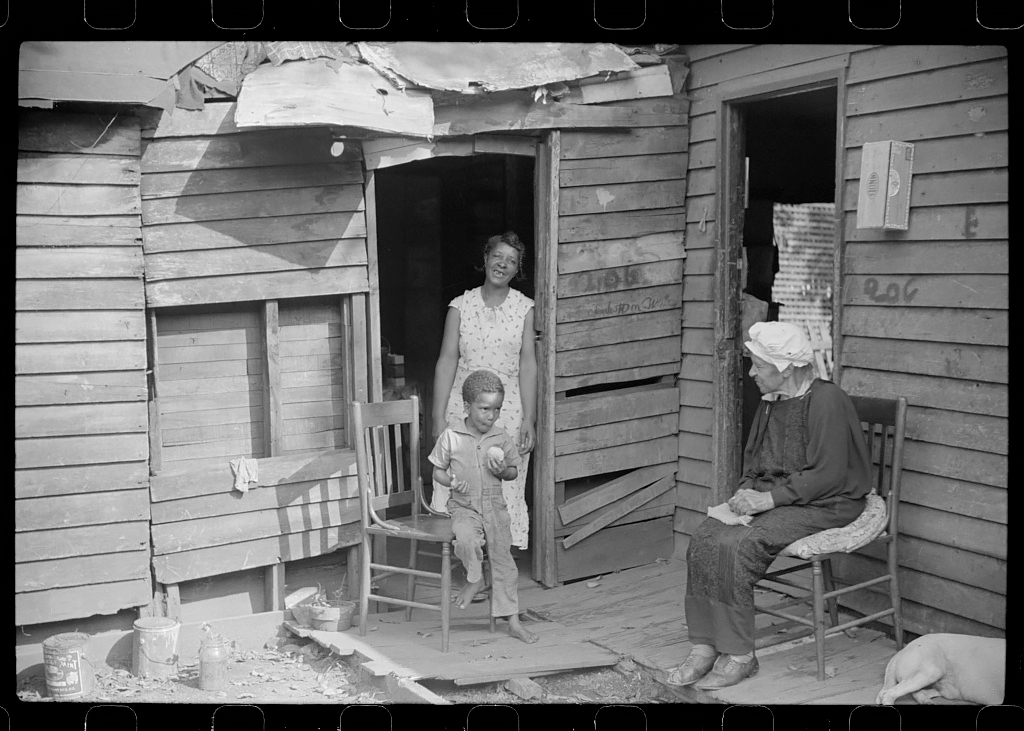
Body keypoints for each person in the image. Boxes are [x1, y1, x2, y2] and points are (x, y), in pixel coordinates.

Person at [668, 321, 872, 690]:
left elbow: (828, 475)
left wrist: (768, 499)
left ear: (787, 368)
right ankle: (703, 647)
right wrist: (745, 493)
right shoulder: (769, 402)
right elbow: (754, 463)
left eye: (758, 366)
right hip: (780, 498)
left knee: (739, 545)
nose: (752, 373)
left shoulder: (826, 399)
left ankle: (740, 655)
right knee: (704, 538)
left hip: (829, 501)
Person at [431, 231, 536, 551]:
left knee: (500, 480)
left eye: (511, 261)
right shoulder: (460, 306)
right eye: (497, 257)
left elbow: (529, 364)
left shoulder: (525, 309)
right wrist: (437, 418)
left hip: (508, 410)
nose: (502, 265)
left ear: (518, 270)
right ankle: (465, 550)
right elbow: (446, 361)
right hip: (462, 410)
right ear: (485, 259)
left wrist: (530, 419)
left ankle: (497, 555)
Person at [429, 369, 539, 644]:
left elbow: (513, 471)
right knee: (466, 540)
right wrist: (451, 481)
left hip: (495, 507)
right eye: (485, 409)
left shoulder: (500, 438)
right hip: (464, 508)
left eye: (497, 409)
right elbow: (437, 472)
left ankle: (512, 620)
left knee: (504, 563)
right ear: (467, 407)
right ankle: (475, 577)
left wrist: (503, 471)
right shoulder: (451, 436)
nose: (492, 415)